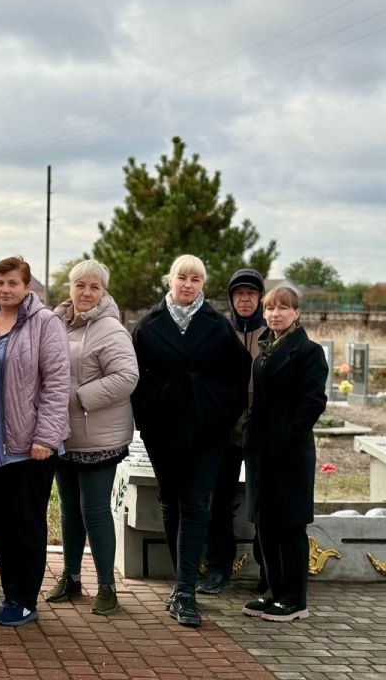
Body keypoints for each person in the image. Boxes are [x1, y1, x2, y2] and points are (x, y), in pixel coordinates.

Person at [131, 254, 249, 628]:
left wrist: (216, 411)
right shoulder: (148, 326)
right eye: (182, 277)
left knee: (197, 504)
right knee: (171, 502)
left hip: (206, 432)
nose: (188, 285)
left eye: (195, 280)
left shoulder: (216, 325)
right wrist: (151, 412)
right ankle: (182, 581)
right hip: (163, 430)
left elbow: (238, 376)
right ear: (170, 280)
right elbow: (135, 377)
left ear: (203, 285)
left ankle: (185, 592)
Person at [0, 257, 69, 627]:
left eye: (12, 282)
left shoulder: (45, 323)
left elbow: (58, 383)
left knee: (26, 522)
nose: (5, 289)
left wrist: (46, 435)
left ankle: (24, 598)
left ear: (27, 286)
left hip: (31, 446)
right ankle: (13, 586)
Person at [46, 260, 139, 615]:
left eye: (94, 287)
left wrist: (78, 396)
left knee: (95, 510)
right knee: (69, 509)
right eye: (80, 285)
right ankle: (70, 578)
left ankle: (106, 586)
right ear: (69, 287)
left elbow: (126, 377)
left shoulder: (109, 329)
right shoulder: (57, 322)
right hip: (64, 434)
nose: (86, 293)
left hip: (98, 436)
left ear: (103, 292)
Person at [243, 287, 327, 622]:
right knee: (265, 523)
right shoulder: (264, 351)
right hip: (262, 451)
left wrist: (287, 437)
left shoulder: (308, 352)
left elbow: (313, 402)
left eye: (283, 308)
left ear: (297, 313)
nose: (275, 314)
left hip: (290, 453)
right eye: (270, 308)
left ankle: (295, 599)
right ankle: (274, 593)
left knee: (290, 525)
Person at [200, 268, 269, 595]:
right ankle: (218, 569)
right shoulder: (219, 331)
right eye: (239, 294)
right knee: (218, 502)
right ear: (231, 298)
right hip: (223, 433)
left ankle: (269, 571)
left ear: (260, 299)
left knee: (265, 503)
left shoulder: (272, 335)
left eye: (251, 294)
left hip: (262, 432)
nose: (244, 299)